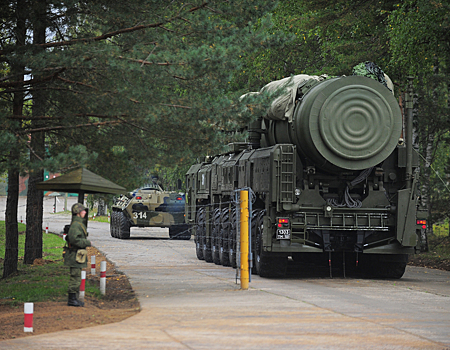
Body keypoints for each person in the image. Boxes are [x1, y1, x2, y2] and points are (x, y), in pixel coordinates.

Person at [64, 202, 91, 307]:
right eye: (82, 211)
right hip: (74, 255)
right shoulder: (76, 225)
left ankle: (74, 298)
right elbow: (74, 239)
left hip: (77, 254)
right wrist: (87, 243)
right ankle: (71, 299)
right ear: (78, 213)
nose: (84, 212)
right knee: (75, 277)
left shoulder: (78, 224)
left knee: (77, 276)